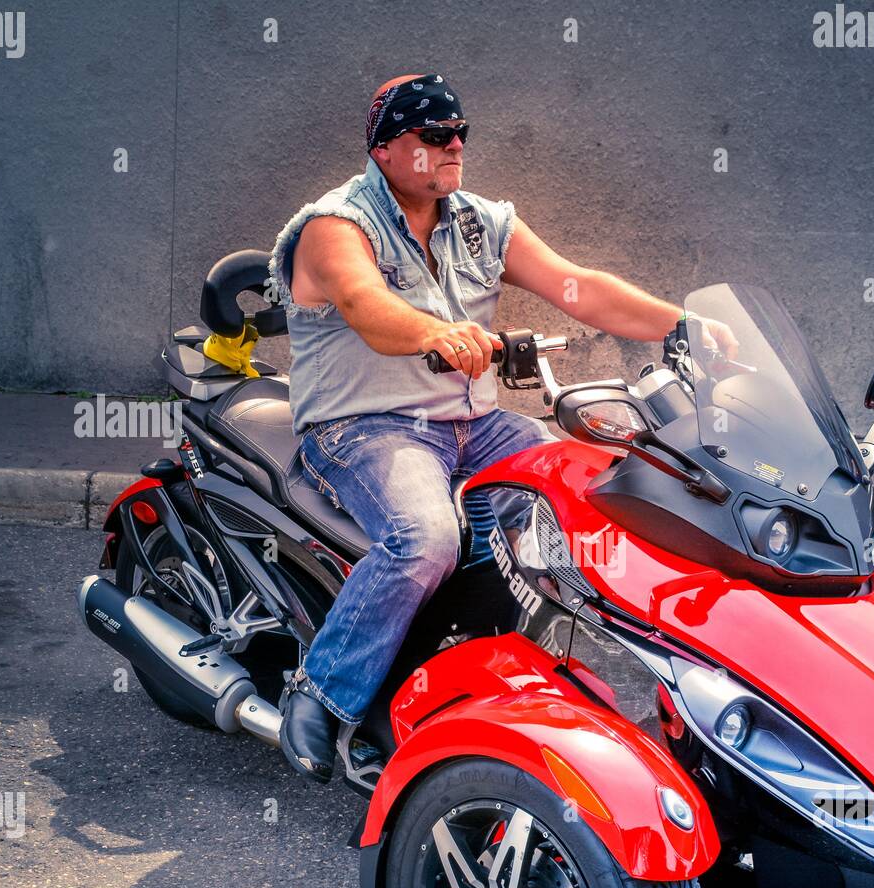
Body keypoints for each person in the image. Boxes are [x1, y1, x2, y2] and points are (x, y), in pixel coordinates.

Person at [268, 71, 734, 782]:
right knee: (425, 538)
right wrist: (438, 332)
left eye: (460, 133)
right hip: (363, 428)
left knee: (588, 494)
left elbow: (578, 286)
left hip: (473, 425)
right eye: (434, 135)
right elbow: (366, 305)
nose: (454, 145)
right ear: (387, 148)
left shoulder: (480, 221)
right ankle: (324, 689)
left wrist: (685, 325)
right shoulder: (335, 228)